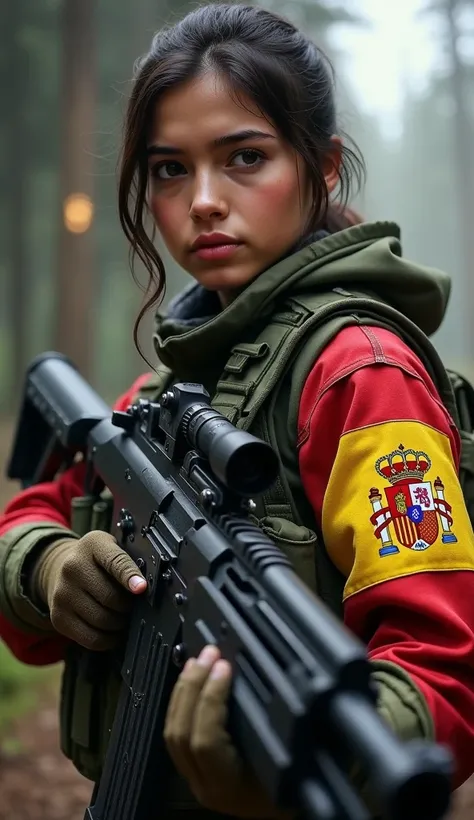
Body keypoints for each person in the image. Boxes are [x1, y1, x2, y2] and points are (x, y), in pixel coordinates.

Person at [1, 3, 474, 817]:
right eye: (169, 169)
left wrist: (291, 770)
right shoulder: (174, 381)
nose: (205, 201)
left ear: (322, 167)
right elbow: (32, 512)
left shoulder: (359, 375)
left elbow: (444, 665)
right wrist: (48, 566)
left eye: (245, 157)